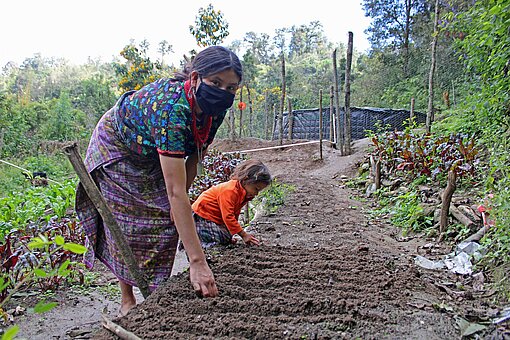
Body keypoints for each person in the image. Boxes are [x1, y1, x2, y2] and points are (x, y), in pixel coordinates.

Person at [75, 46, 243, 317]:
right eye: (216, 83)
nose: (223, 92)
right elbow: (175, 192)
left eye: (231, 88)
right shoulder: (171, 110)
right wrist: (198, 261)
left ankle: (156, 290)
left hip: (154, 150)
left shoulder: (216, 109)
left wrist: (178, 203)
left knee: (167, 217)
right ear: (197, 77)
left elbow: (195, 156)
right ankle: (127, 297)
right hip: (118, 146)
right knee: (129, 223)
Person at [191, 159, 272, 249]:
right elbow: (228, 216)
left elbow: (234, 215)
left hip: (215, 218)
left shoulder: (243, 193)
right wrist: (244, 235)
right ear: (246, 180)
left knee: (225, 237)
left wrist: (230, 236)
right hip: (203, 215)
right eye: (256, 189)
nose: (256, 194)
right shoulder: (230, 190)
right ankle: (206, 250)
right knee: (213, 239)